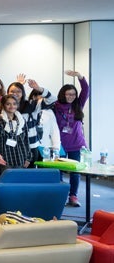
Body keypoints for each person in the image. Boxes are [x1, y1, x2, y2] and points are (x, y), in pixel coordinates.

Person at [52, 70, 89, 207]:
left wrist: (79, 77)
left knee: (75, 172)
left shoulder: (78, 105)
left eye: (73, 94)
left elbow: (86, 89)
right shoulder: (55, 106)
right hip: (59, 144)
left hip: (76, 144)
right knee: (58, 171)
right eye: (68, 94)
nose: (71, 96)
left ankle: (73, 196)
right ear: (63, 94)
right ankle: (60, 195)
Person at [0, 95, 32, 177]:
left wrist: (28, 157)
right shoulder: (0, 119)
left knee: (19, 182)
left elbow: (26, 139)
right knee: (6, 182)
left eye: (14, 104)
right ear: (3, 105)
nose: (12, 106)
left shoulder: (22, 120)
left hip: (21, 156)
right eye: (8, 104)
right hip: (5, 158)